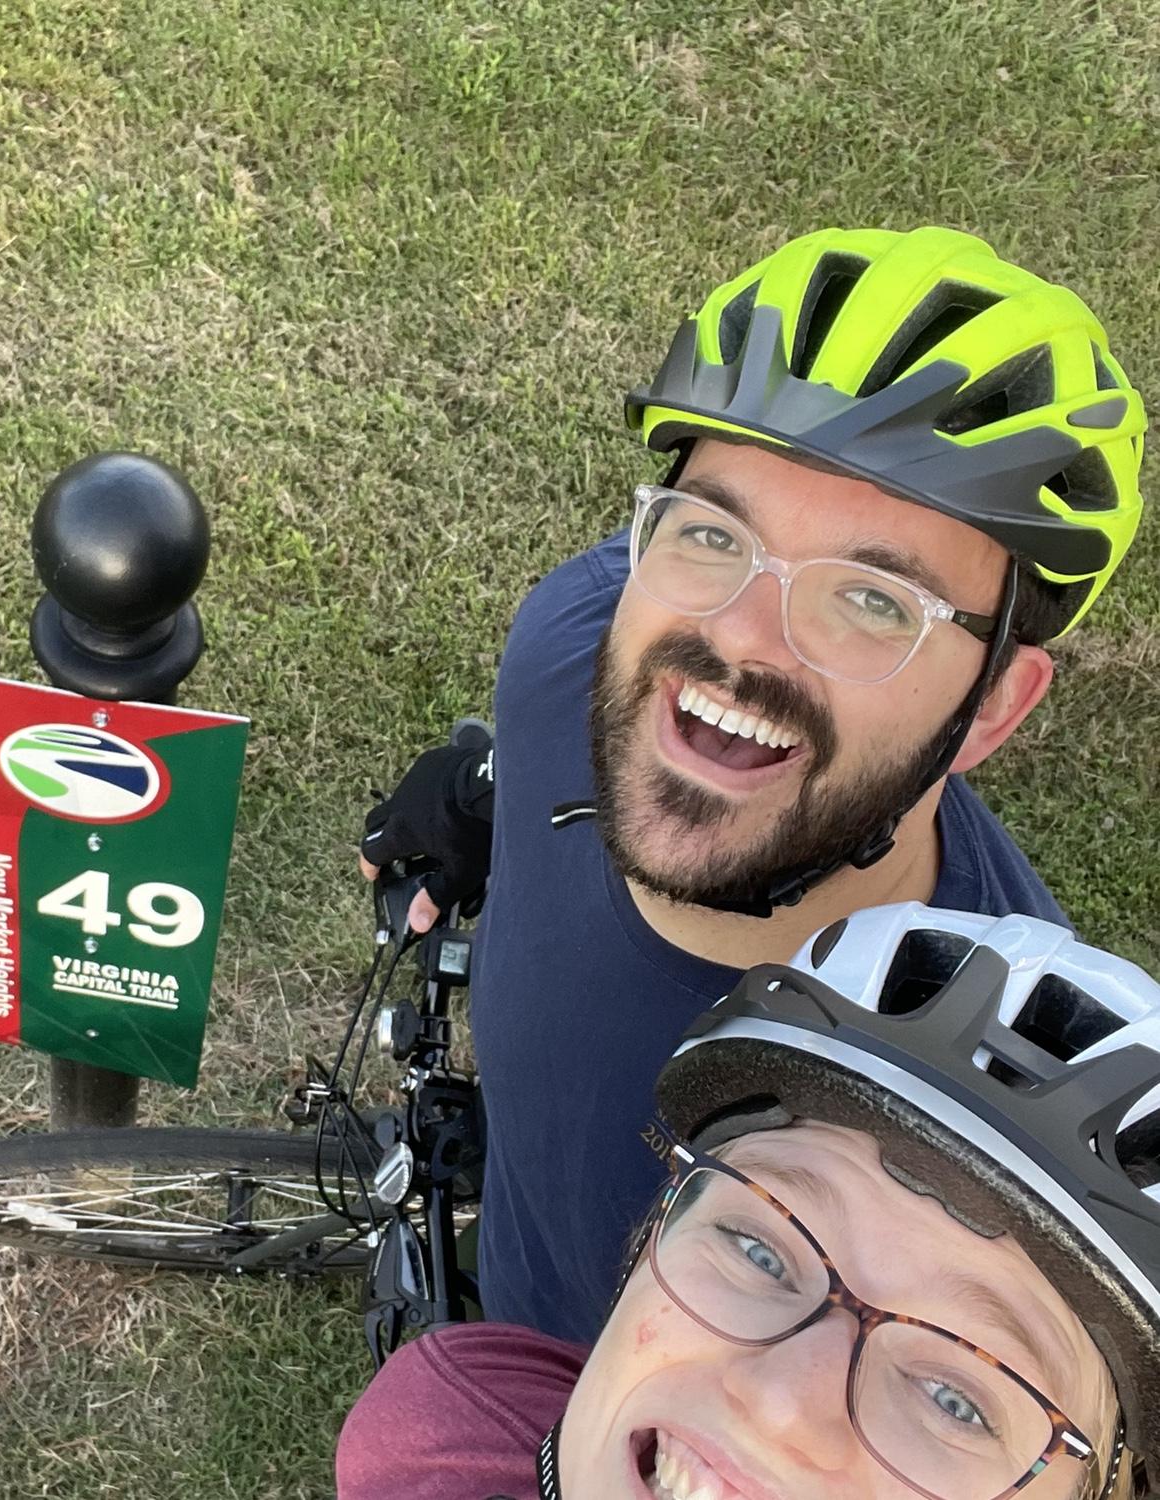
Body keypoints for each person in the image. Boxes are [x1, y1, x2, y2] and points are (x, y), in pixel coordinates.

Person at [358, 225, 1149, 1344]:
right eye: (715, 530)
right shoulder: (569, 648)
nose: (735, 638)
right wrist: (482, 798)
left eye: (875, 601)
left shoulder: (986, 1127)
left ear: (992, 709)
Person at [336, 902, 1160, 1499]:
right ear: (649, 1238)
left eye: (958, 1401)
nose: (777, 1406)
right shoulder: (432, 1438)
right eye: (759, 1249)